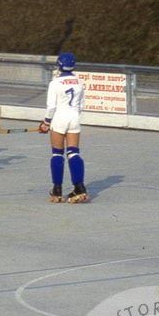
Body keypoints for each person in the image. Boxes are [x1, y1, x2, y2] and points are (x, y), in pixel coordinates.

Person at [40, 52, 89, 203]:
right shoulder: (79, 82)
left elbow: (51, 106)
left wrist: (46, 123)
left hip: (59, 118)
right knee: (73, 153)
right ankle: (79, 187)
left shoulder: (55, 83)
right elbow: (81, 105)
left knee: (57, 154)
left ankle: (57, 189)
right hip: (74, 117)